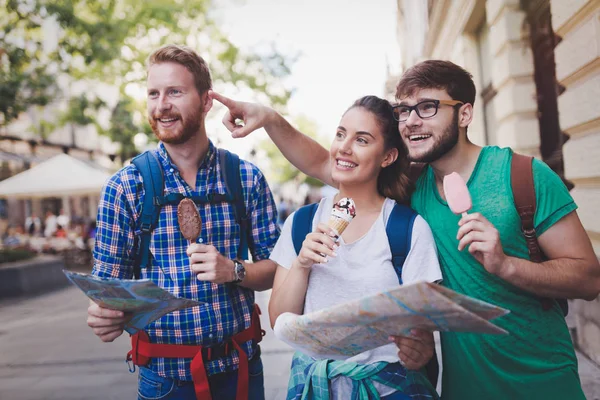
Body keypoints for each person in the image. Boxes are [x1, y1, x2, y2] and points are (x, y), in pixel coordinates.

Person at [210, 60, 600, 399]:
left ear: (464, 114)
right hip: (463, 388)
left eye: (427, 107)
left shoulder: (524, 176)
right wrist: (270, 119)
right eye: (404, 110)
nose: (411, 119)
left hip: (542, 381)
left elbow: (588, 279)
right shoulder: (415, 187)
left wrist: (506, 265)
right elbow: (331, 163)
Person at [86, 44, 280, 400]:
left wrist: (233, 270)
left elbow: (278, 270)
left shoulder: (245, 178)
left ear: (207, 101)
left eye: (175, 91)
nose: (162, 105)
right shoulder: (126, 187)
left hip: (240, 370)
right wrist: (104, 315)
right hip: (166, 382)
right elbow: (107, 290)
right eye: (153, 94)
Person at [268, 95, 441, 399]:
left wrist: (419, 346)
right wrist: (302, 264)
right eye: (340, 134)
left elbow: (421, 332)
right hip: (315, 387)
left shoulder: (407, 228)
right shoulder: (301, 223)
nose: (344, 147)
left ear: (387, 157)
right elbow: (279, 321)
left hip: (390, 389)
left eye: (362, 139)